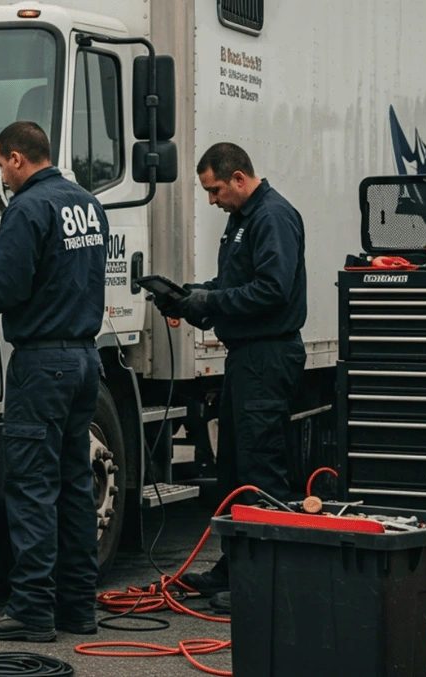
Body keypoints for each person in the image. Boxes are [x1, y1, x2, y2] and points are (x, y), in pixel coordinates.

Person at [0, 121, 109, 641]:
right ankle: (78, 606)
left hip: (43, 364)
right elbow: (60, 272)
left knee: (32, 487)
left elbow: (5, 291)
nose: (2, 176)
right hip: (85, 359)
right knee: (74, 485)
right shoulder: (87, 204)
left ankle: (31, 609)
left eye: (0, 164)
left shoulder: (27, 208)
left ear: (15, 158)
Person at [159, 142, 307, 610]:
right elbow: (234, 287)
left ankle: (264, 585)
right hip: (247, 357)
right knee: (235, 471)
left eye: (216, 190)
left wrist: (212, 301)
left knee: (261, 470)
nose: (212, 200)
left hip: (268, 355)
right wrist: (191, 297)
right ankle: (235, 566)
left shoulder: (272, 217)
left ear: (239, 178)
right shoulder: (243, 217)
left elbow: (272, 290)